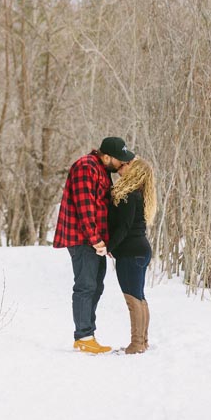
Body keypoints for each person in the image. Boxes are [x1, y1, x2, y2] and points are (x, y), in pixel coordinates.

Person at [53, 136, 135, 354]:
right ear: (106, 156)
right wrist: (96, 239)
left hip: (94, 240)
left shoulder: (102, 171)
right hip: (82, 239)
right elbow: (84, 206)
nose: (122, 164)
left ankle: (88, 334)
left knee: (96, 286)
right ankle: (83, 336)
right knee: (86, 285)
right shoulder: (85, 167)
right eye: (120, 160)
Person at [101, 156, 156, 354]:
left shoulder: (129, 195)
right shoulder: (138, 194)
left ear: (135, 172)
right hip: (140, 250)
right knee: (139, 298)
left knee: (132, 299)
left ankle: (136, 344)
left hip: (131, 252)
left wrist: (108, 246)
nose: (125, 165)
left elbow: (123, 228)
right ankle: (143, 341)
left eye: (129, 165)